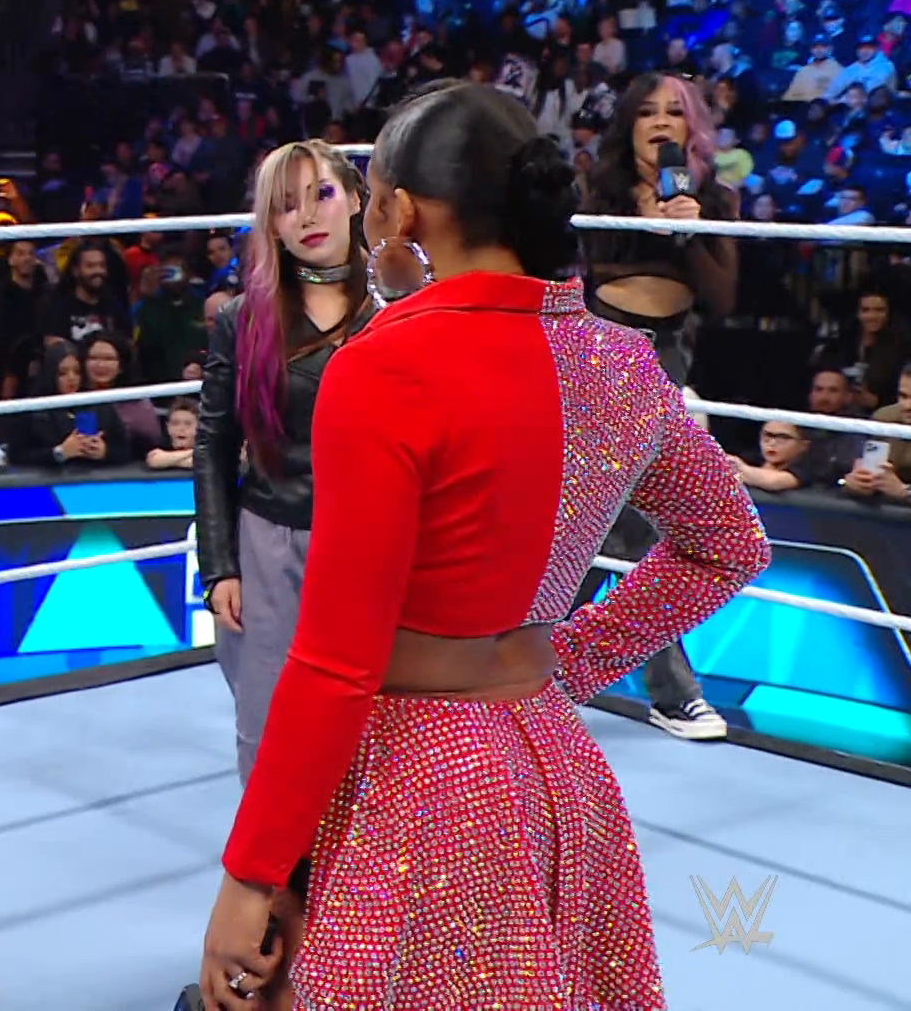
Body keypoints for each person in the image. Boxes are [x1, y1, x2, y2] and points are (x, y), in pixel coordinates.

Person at [198, 83, 769, 1009]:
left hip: (417, 784)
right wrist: (564, 661)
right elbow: (729, 545)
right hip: (557, 767)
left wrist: (250, 875)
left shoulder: (383, 366)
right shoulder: (623, 363)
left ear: (401, 212)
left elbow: (337, 663)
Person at [194, 138, 378, 785]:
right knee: (269, 728)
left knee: (375, 728)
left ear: (354, 198)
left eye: (322, 194)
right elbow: (214, 444)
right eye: (286, 204)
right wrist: (219, 566)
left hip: (375, 544)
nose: (307, 216)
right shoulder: (244, 319)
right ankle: (274, 855)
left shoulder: (400, 312)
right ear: (270, 223)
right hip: (271, 537)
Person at [575, 71, 740, 740]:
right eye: (648, 112)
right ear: (630, 125)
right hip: (599, 350)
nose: (662, 122)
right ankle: (673, 693)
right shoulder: (598, 189)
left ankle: (534, 664)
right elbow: (584, 270)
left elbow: (722, 298)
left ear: (692, 126)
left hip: (668, 355)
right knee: (628, 526)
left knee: (607, 528)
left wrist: (691, 232)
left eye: (675, 111)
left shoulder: (713, 198)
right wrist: (641, 219)